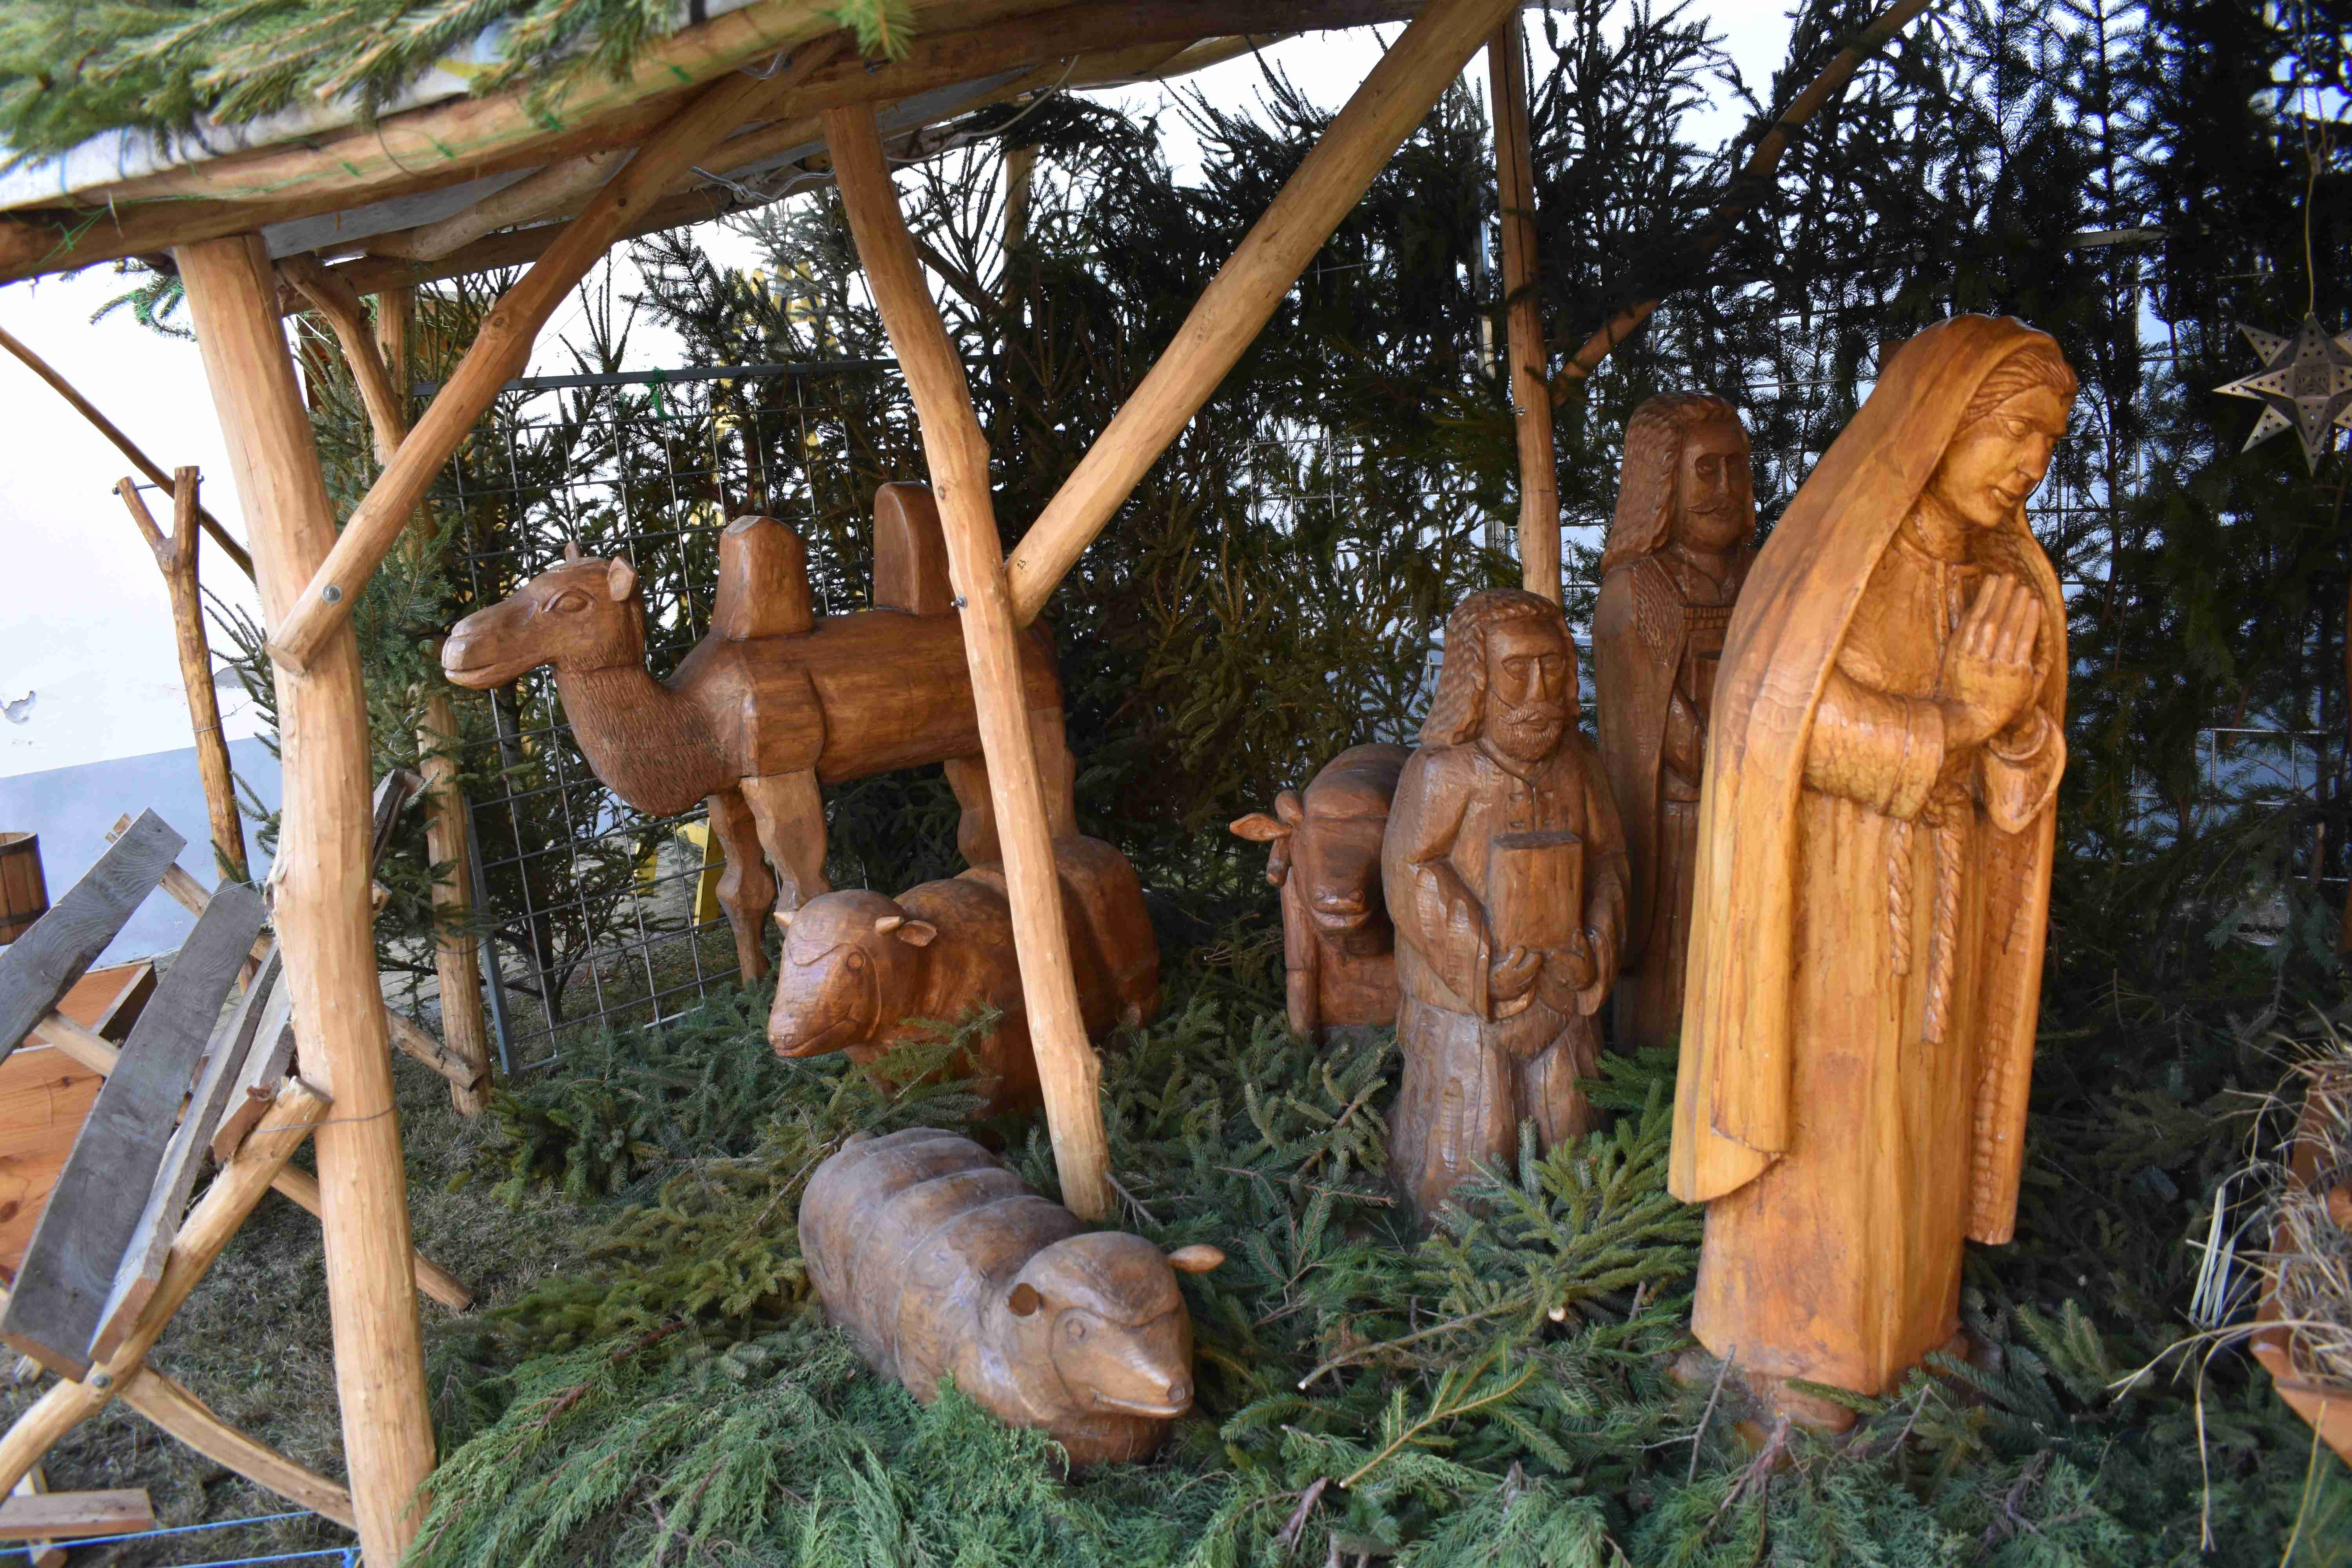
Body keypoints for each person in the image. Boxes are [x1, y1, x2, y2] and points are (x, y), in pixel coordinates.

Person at [1671, 316, 2073, 1425]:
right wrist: (1958, 720)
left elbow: (2025, 769)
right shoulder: (1836, 559)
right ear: (1936, 422)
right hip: (1831, 910)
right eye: (2015, 430)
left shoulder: (2010, 580)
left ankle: (1913, 1329)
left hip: (1951, 895)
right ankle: (1793, 1351)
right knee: (1836, 1124)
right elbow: (1778, 718)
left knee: (1923, 1123)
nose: (2033, 463)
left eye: (2051, 441)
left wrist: (2011, 732)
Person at [1383, 589, 1630, 1225]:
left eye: (1554, 667)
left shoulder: (1581, 765)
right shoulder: (1442, 773)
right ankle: (1456, 1253)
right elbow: (1411, 873)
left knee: (1573, 1136)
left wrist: (1594, 946)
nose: (1538, 694)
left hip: (1562, 1000)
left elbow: (1610, 861)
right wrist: (1481, 963)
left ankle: (1577, 1246)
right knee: (1467, 1159)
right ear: (1476, 681)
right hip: (1467, 1007)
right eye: (1516, 671)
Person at [1592, 394, 1756, 1054]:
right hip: (1680, 821)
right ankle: (1659, 1085)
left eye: (1736, 467)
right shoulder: (1638, 589)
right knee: (1680, 965)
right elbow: (1652, 713)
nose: (1725, 489)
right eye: (1705, 471)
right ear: (1661, 484)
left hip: (1757, 808)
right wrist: (1734, 764)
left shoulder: (1763, 575)